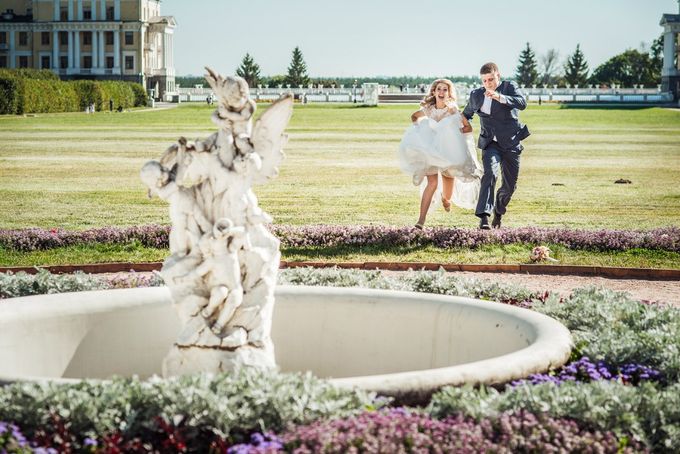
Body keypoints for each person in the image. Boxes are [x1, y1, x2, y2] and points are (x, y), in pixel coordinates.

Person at [398, 78, 482, 229]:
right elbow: (414, 117)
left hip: (447, 154)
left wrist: (453, 133)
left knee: (447, 195)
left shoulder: (452, 110)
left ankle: (446, 200)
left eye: (445, 89)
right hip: (431, 151)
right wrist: (420, 131)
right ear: (434, 92)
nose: (441, 92)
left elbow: (468, 128)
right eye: (439, 89)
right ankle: (420, 221)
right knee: (432, 183)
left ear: (449, 93)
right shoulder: (429, 109)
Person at [463, 62, 530, 229]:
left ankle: (498, 211)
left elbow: (522, 103)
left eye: (491, 79)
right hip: (490, 143)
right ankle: (484, 217)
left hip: (511, 143)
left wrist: (500, 97)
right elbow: (466, 114)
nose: (488, 84)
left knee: (509, 187)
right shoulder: (476, 95)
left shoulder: (509, 87)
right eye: (484, 80)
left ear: (498, 76)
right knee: (490, 174)